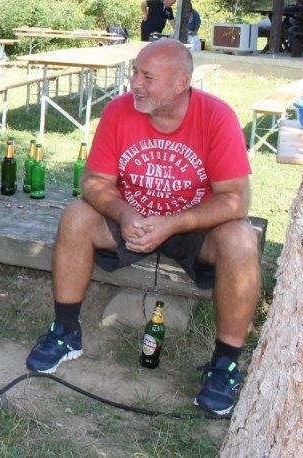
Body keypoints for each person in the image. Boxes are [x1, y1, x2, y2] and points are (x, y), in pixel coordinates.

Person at [24, 39, 259, 417]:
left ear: (181, 83)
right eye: (135, 73)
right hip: (131, 220)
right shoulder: (119, 111)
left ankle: (225, 365)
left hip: (191, 226)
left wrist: (173, 222)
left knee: (242, 238)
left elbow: (236, 199)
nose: (134, 83)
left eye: (148, 77)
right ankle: (66, 332)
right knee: (76, 215)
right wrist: (123, 214)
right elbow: (94, 182)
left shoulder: (216, 116)